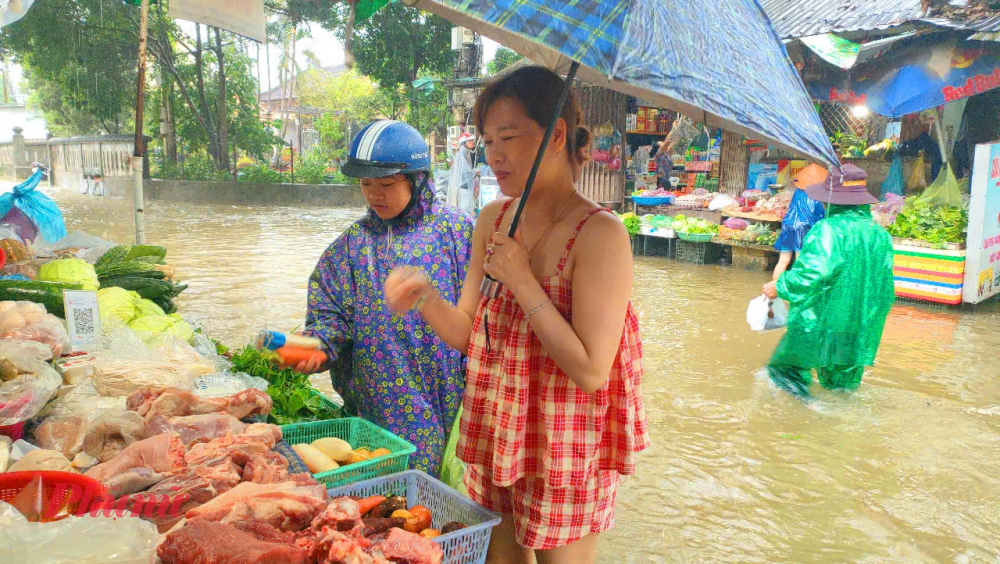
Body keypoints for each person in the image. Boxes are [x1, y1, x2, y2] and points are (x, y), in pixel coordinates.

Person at [383, 66, 648, 564]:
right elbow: (472, 335)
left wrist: (524, 281)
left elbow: (591, 370)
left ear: (557, 136)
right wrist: (426, 298)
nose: (494, 154)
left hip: (565, 442)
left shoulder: (600, 234)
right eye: (487, 140)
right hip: (499, 428)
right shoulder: (494, 219)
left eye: (508, 136)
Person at [293, 120, 474, 477]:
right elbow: (330, 320)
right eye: (365, 184)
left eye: (387, 184)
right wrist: (314, 348)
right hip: (378, 412)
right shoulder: (349, 248)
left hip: (452, 403)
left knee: (448, 502)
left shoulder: (458, 232)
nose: (375, 194)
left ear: (418, 179)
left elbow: (485, 315)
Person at [763, 164, 895, 398]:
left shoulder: (827, 230)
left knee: (786, 370)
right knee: (842, 387)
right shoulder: (880, 235)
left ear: (833, 201)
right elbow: (884, 287)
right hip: (860, 324)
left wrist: (779, 287)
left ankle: (805, 414)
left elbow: (811, 273)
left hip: (821, 321)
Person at [771, 163, 828, 281]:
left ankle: (774, 287)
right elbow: (820, 215)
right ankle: (797, 292)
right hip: (803, 228)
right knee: (800, 262)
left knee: (783, 261)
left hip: (788, 224)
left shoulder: (798, 190)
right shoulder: (818, 194)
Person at [448, 132, 479, 215]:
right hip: (463, 188)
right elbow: (465, 173)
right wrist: (475, 171)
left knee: (466, 211)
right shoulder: (461, 155)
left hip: (465, 188)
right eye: (469, 141)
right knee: (465, 212)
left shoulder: (466, 154)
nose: (472, 143)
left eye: (472, 141)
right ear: (464, 143)